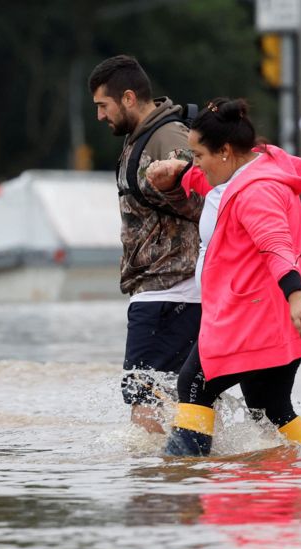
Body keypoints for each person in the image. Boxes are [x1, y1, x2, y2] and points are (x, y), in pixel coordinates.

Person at [146, 98, 301, 456]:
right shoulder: (249, 168)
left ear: (226, 152)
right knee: (268, 404)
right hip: (270, 311)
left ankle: (183, 475)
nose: (195, 163)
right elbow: (209, 183)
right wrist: (179, 172)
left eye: (198, 155)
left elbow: (276, 245)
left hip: (262, 312)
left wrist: (296, 297)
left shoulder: (258, 192)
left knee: (193, 384)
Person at [88, 56, 205, 432]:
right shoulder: (142, 137)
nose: (100, 117)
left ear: (126, 98)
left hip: (168, 293)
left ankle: (155, 485)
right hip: (167, 294)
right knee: (175, 398)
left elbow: (210, 202)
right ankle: (188, 474)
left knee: (144, 403)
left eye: (102, 106)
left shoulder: (167, 138)